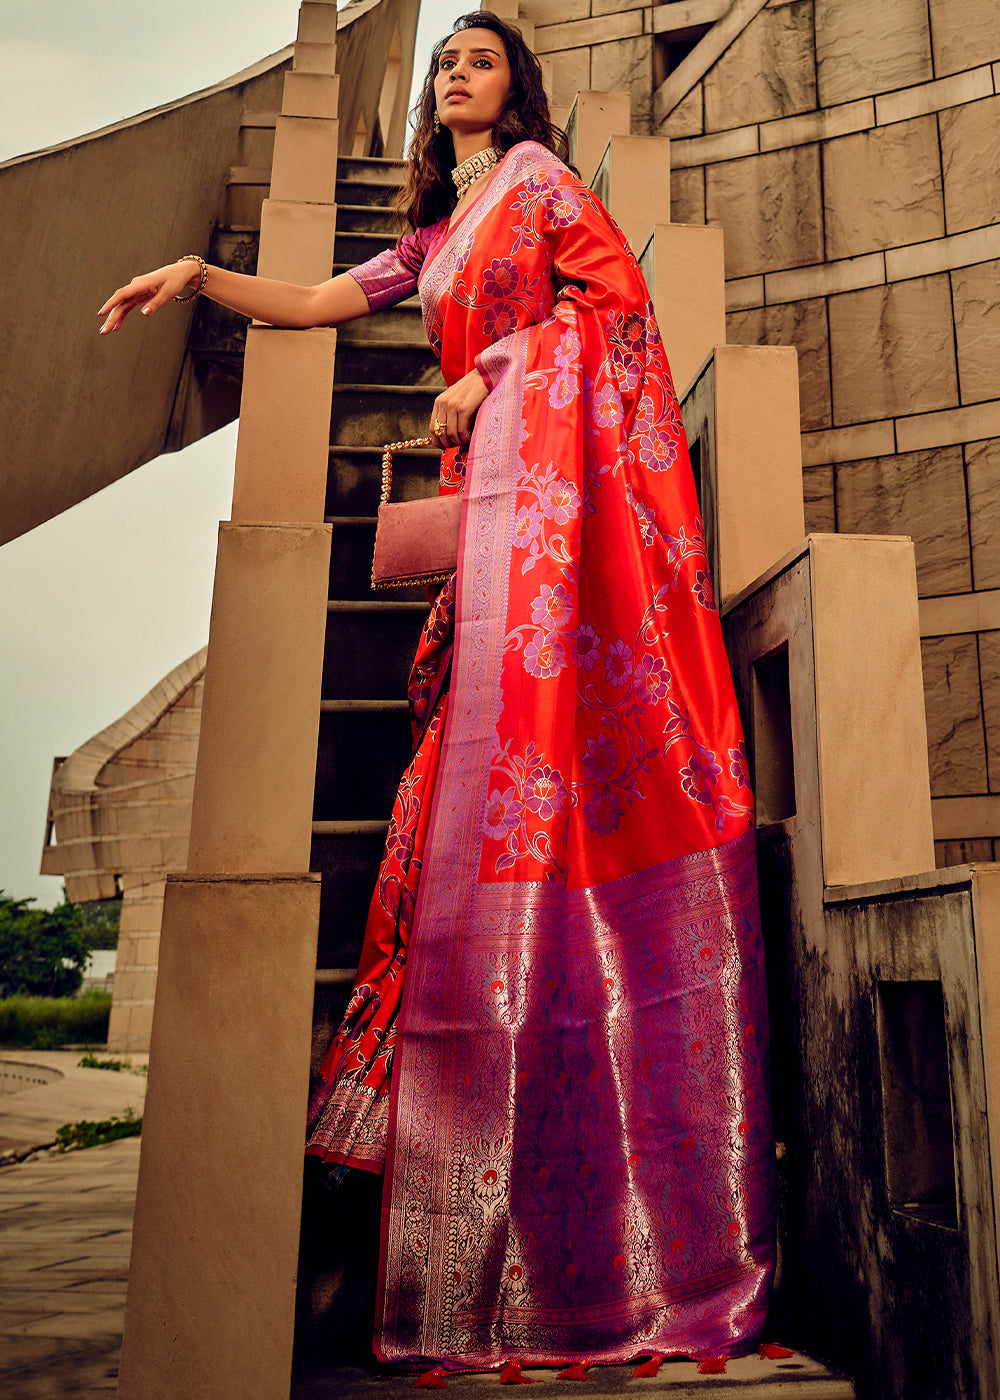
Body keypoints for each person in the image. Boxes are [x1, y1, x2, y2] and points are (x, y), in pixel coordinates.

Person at [100, 10, 775, 1375]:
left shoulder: (541, 186)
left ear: (517, 89)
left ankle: (628, 1225)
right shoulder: (439, 235)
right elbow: (321, 304)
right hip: (490, 530)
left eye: (479, 57)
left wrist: (492, 368)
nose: (454, 72)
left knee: (550, 795)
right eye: (443, 64)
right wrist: (199, 276)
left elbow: (620, 318)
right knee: (454, 815)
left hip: (565, 531)